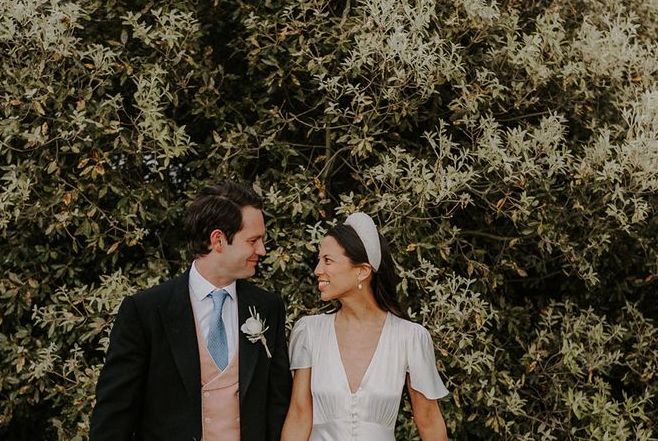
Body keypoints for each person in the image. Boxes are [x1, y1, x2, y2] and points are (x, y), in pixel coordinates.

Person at [89, 181, 292, 441]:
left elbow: (277, 405)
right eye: (253, 240)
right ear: (218, 240)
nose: (262, 250)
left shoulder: (268, 308)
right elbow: (114, 414)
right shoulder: (146, 311)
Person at [282, 212, 449, 441]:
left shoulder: (410, 338)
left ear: (362, 271)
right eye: (319, 260)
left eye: (328, 261)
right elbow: (300, 415)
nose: (318, 270)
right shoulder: (309, 332)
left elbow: (429, 421)